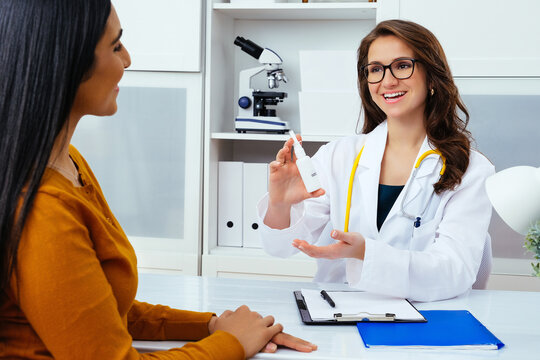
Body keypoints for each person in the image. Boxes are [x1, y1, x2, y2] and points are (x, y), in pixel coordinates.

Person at [0, 1, 317, 359]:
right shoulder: (43, 208)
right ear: (66, 61)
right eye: (116, 46)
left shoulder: (68, 163)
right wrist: (233, 343)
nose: (128, 59)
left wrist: (213, 325)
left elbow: (102, 309)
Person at [258, 19, 495, 302]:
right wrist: (280, 203)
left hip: (427, 322)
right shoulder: (339, 156)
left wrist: (366, 253)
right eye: (375, 70)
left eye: (403, 65)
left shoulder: (471, 169)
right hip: (339, 312)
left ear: (432, 77)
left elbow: (455, 271)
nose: (388, 80)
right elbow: (281, 247)